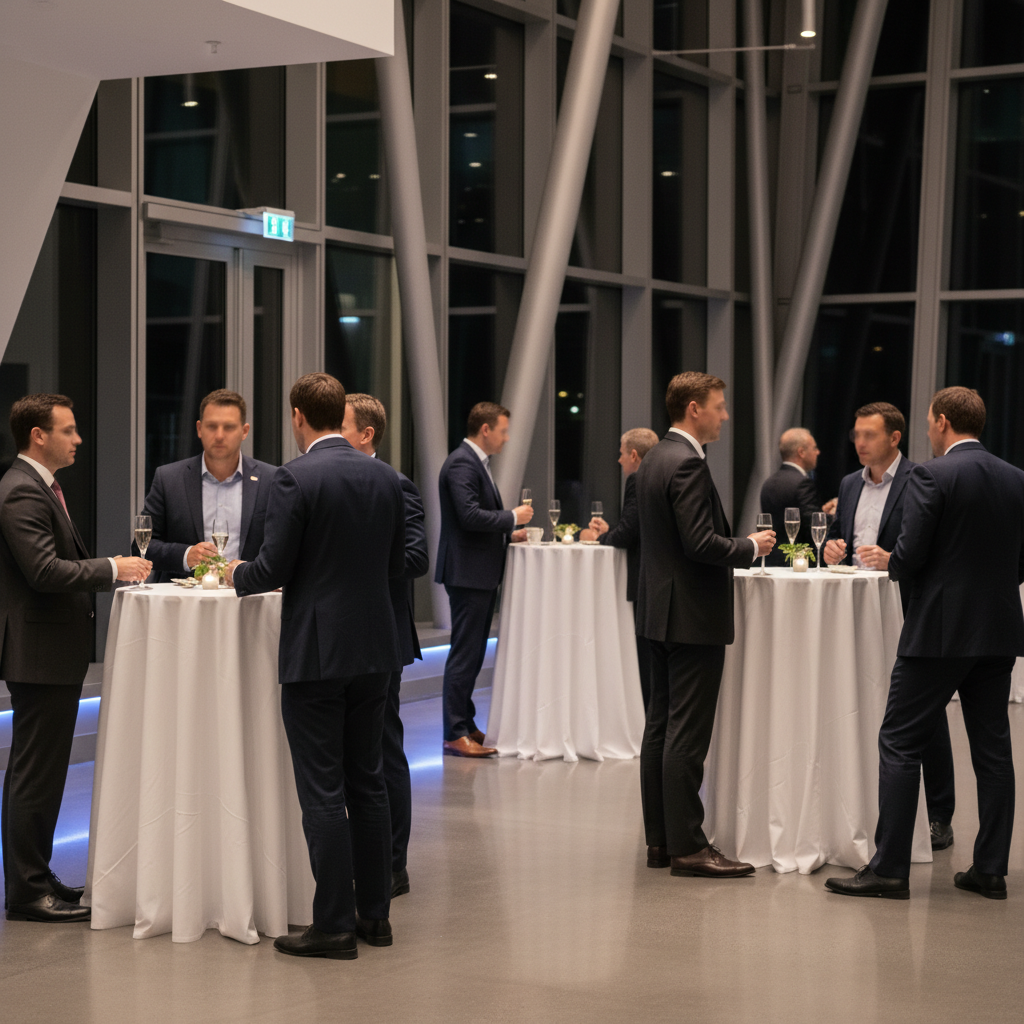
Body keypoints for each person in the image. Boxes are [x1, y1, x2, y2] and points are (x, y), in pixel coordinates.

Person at [225, 373, 405, 959]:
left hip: (318, 652)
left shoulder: (293, 477)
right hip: (376, 648)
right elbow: (397, 562)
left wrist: (233, 574)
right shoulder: (386, 477)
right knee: (368, 781)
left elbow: (271, 569)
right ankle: (375, 917)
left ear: (298, 416)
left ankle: (332, 925)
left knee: (323, 789)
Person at [826, 387, 1024, 901]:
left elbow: (908, 557)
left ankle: (889, 869)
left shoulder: (931, 475)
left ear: (940, 422)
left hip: (938, 630)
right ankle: (990, 869)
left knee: (899, 740)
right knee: (993, 751)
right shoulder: (1015, 477)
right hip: (998, 630)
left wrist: (896, 562)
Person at [1, 394, 151, 923]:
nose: (78, 439)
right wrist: (112, 568)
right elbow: (43, 571)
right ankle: (26, 892)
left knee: (41, 772)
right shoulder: (21, 489)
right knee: (34, 774)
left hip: (48, 653)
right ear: (38, 436)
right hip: (39, 654)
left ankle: (37, 877)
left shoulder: (39, 486)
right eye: (68, 430)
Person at [634, 372, 775, 879]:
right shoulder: (688, 463)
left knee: (659, 727)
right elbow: (699, 543)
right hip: (692, 616)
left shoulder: (654, 457)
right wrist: (750, 546)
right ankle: (690, 848)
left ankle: (661, 842)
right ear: (694, 408)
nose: (724, 415)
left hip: (657, 611)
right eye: (719, 406)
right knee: (686, 735)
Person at [824, 401, 956, 849]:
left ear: (895, 438)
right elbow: (842, 536)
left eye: (869, 435)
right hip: (854, 611)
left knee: (925, 715)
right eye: (856, 435)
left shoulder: (921, 478)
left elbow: (929, 548)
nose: (859, 443)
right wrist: (833, 548)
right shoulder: (849, 483)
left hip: (906, 609)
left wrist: (892, 559)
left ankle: (939, 815)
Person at [339, 393, 428, 900]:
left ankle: (393, 865)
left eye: (341, 426)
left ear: (366, 434)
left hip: (381, 635)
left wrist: (354, 562)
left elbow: (416, 558)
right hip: (335, 635)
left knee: (382, 748)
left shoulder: (396, 484)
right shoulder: (323, 480)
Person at [435, 402, 533, 757]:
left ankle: (465, 721)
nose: (506, 438)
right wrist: (512, 517)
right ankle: (454, 732)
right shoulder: (463, 462)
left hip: (476, 572)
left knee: (474, 652)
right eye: (503, 431)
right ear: (486, 429)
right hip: (468, 573)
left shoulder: (474, 462)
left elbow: (475, 521)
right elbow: (469, 516)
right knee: (465, 653)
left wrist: (508, 534)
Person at [141, 389, 277, 582]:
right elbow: (142, 547)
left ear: (244, 431)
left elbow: (283, 546)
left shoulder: (270, 480)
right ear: (199, 429)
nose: (219, 435)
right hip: (183, 597)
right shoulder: (169, 479)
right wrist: (185, 555)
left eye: (229, 427)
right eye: (212, 426)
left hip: (248, 595)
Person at [581, 427, 659, 707]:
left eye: (622, 453)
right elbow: (640, 527)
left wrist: (598, 538)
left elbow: (629, 534)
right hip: (660, 577)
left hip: (644, 578)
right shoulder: (662, 476)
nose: (619, 459)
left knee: (645, 658)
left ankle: (648, 719)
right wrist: (612, 529)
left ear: (634, 455)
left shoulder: (637, 479)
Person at [758, 428, 834, 568]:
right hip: (797, 562)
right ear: (801, 452)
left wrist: (821, 511)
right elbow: (813, 526)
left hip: (770, 561)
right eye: (814, 448)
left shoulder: (768, 483)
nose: (818, 452)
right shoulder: (803, 483)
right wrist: (831, 516)